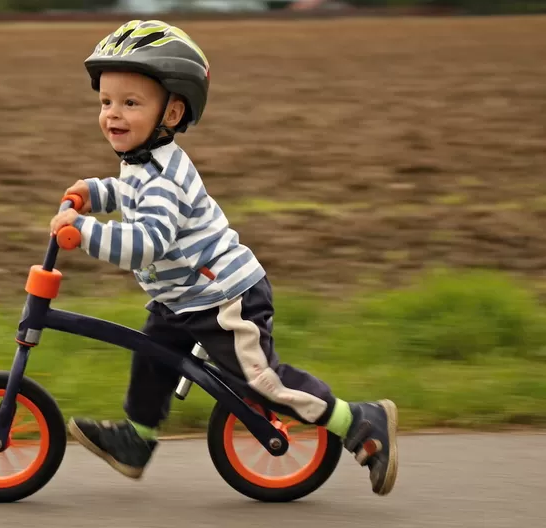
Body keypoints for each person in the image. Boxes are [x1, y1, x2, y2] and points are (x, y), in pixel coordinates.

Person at [48, 19, 398, 496]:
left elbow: (147, 241)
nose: (113, 114)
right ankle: (138, 439)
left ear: (171, 112)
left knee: (263, 383)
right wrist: (95, 192)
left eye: (131, 103)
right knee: (153, 358)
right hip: (183, 295)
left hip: (224, 297)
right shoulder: (142, 162)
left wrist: (82, 232)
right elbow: (129, 192)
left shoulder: (165, 178)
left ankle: (360, 421)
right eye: (106, 102)